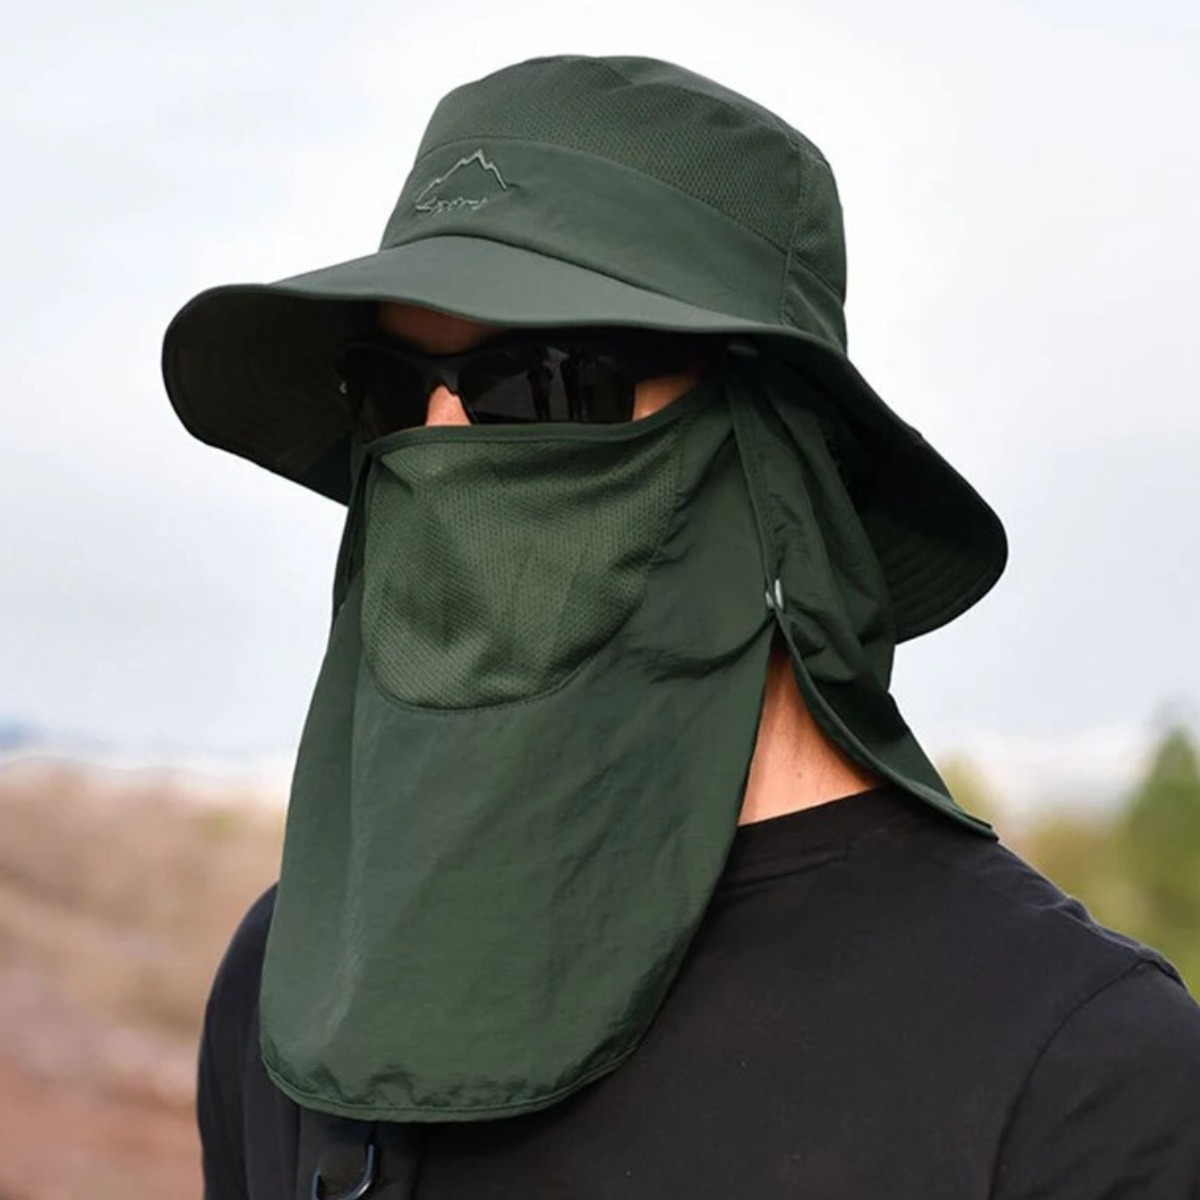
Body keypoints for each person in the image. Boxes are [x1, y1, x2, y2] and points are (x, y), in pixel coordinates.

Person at [162, 55, 1200, 1200]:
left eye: (543, 381)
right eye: (391, 390)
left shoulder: (1078, 1076)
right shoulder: (300, 989)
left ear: (775, 454)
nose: (439, 449)